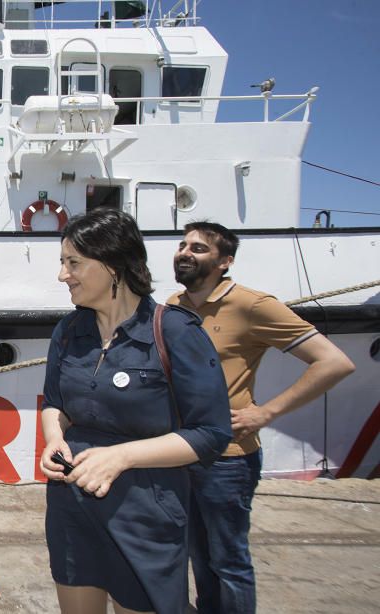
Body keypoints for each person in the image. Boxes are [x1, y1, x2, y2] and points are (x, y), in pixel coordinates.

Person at [40, 208, 232, 614]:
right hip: (72, 508)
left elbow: (212, 433)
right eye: (62, 263)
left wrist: (121, 457)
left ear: (112, 265)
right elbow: (55, 403)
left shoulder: (176, 332)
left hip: (145, 513)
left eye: (73, 263)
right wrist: (54, 438)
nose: (63, 275)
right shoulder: (69, 331)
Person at [168, 221, 355, 614]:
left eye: (199, 249)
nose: (185, 253)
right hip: (181, 453)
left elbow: (334, 362)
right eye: (183, 245)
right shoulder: (173, 306)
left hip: (228, 459)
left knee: (228, 562)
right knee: (198, 560)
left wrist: (266, 412)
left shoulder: (252, 305)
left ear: (225, 262)